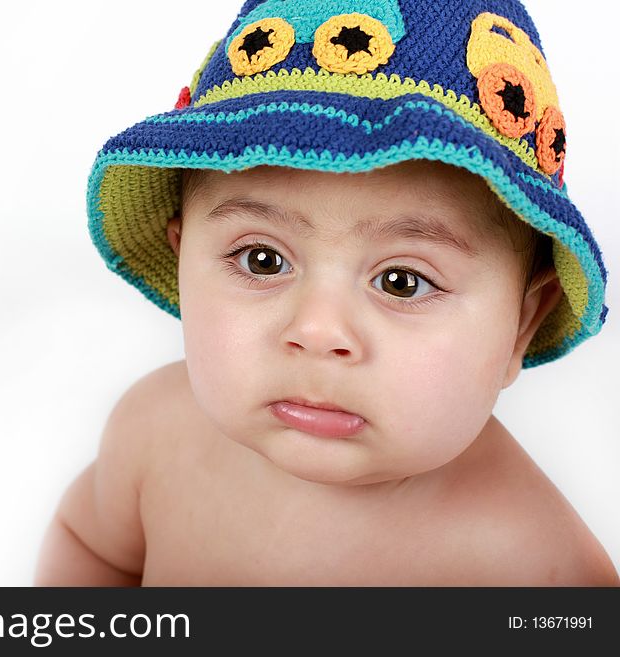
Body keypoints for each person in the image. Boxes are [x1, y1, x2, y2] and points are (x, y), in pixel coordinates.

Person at [35, 0, 618, 585]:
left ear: (521, 323)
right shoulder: (152, 434)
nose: (316, 331)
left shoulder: (535, 566)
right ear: (185, 260)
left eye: (402, 281)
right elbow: (89, 544)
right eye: (262, 260)